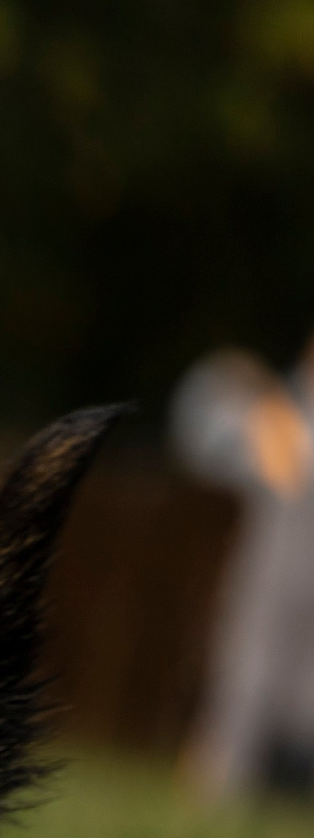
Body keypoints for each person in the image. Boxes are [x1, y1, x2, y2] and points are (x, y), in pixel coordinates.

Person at [174, 341, 314, 799]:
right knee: (244, 690)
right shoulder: (277, 424)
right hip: (264, 620)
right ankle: (220, 780)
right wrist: (244, 382)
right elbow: (201, 428)